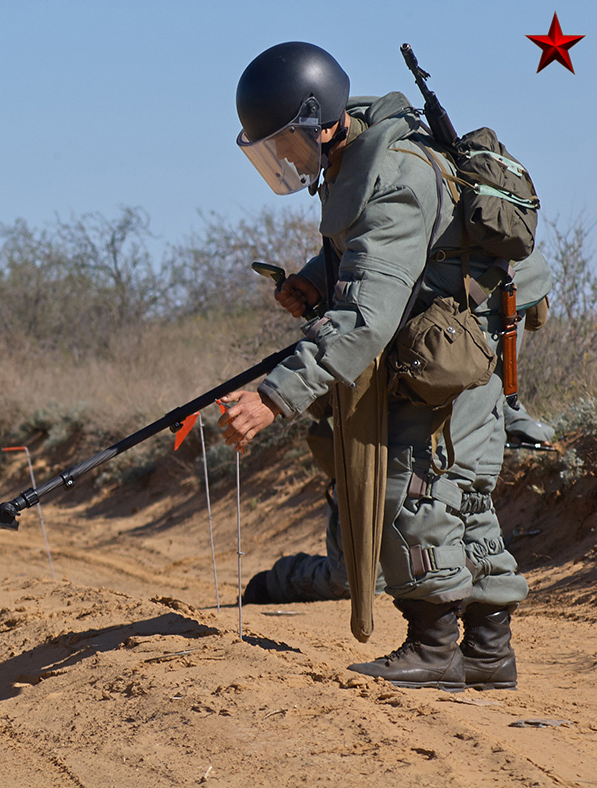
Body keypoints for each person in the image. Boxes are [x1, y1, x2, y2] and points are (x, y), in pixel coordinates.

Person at [220, 42, 551, 691]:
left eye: (287, 142)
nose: (285, 159)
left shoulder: (393, 173)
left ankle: (433, 648)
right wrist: (317, 282)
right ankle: (487, 653)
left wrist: (274, 398)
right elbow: (372, 255)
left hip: (457, 339)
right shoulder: (356, 156)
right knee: (464, 496)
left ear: (323, 118)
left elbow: (368, 316)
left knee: (411, 483)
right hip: (450, 333)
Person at [242, 399, 554, 605]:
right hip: (373, 448)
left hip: (440, 457)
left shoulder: (483, 308)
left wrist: (508, 410)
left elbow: (491, 357)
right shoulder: (378, 299)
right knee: (354, 583)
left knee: (464, 566)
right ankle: (281, 579)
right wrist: (275, 395)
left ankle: (479, 645)